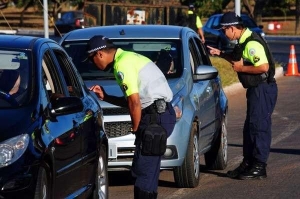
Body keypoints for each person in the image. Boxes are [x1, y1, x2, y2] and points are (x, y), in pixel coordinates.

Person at [85, 35, 176, 198]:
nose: (92, 64)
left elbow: (135, 103)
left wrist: (135, 128)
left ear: (99, 54)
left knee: (143, 173)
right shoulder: (128, 57)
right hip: (160, 115)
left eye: (91, 59)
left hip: (154, 118)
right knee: (149, 173)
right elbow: (133, 100)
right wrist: (106, 97)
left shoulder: (122, 64)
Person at [207, 11, 278, 180]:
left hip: (262, 88)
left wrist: (241, 69)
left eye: (224, 30)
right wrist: (222, 54)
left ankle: (259, 165)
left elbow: (263, 67)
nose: (223, 34)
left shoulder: (252, 44)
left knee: (259, 127)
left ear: (232, 28)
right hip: (256, 89)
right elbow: (238, 60)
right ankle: (248, 163)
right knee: (250, 128)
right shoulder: (243, 40)